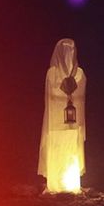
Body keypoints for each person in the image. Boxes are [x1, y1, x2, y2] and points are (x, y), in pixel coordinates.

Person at [39, 39, 87, 193]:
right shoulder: (52, 74)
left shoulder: (80, 74)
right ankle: (56, 184)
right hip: (55, 124)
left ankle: (70, 185)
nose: (68, 54)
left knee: (71, 155)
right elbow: (49, 98)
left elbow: (81, 97)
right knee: (57, 152)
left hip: (73, 126)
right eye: (64, 50)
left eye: (71, 50)